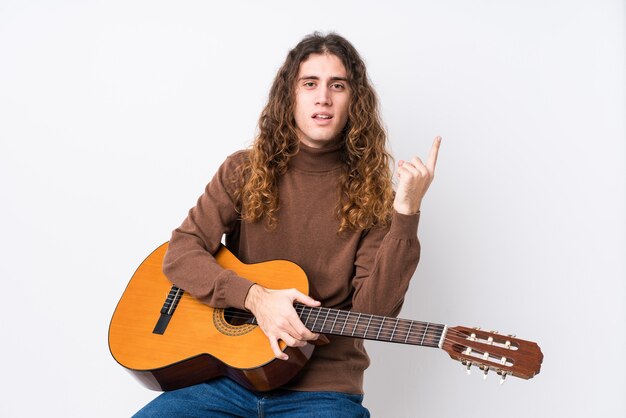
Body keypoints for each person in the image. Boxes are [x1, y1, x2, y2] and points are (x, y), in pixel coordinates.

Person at [134, 31, 441, 417]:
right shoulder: (243, 171)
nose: (323, 97)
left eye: (338, 85)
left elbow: (373, 314)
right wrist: (254, 298)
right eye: (309, 83)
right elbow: (180, 254)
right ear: (290, 96)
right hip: (224, 381)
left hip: (323, 394)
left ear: (354, 101)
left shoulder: (375, 198)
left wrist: (407, 212)